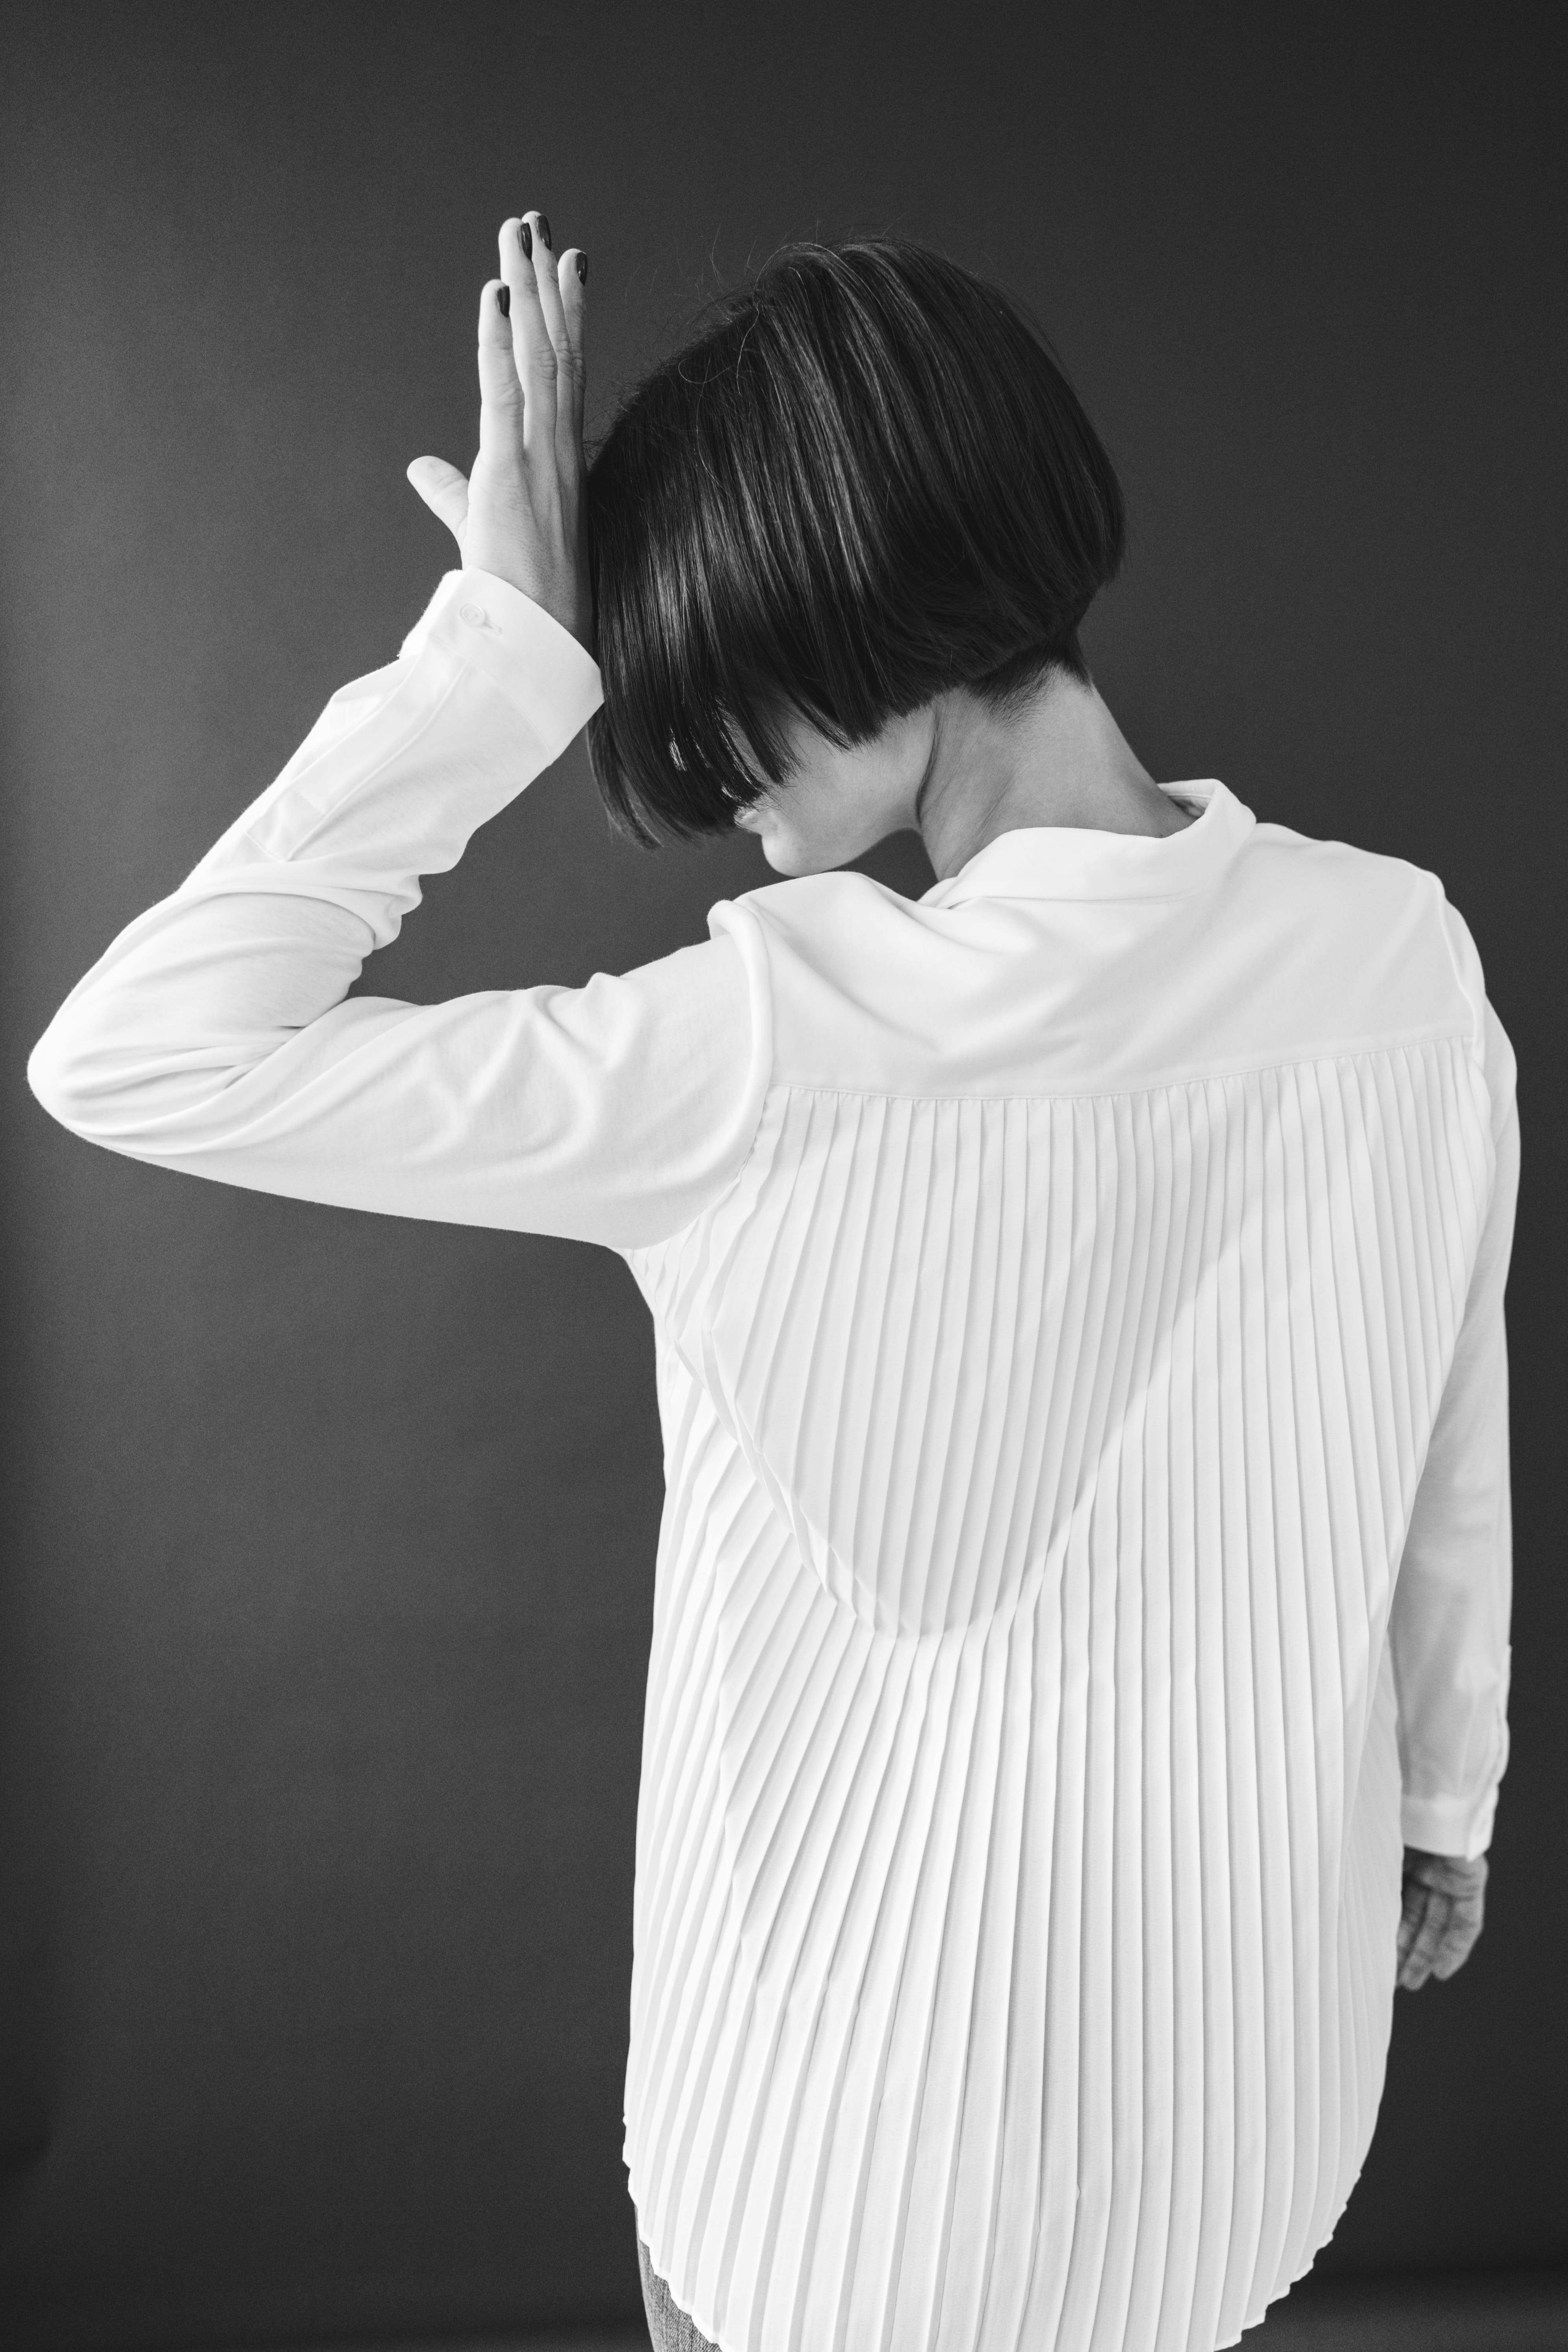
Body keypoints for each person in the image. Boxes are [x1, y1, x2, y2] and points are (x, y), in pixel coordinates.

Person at [26, 214, 1516, 2352]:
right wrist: (1444, 1794)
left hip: (827, 2196)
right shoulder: (1401, 963)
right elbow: (1448, 1416)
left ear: (861, 590)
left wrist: (495, 657)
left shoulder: (757, 1045)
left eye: (710, 681)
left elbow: (137, 1050)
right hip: (1237, 2146)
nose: (706, 773)